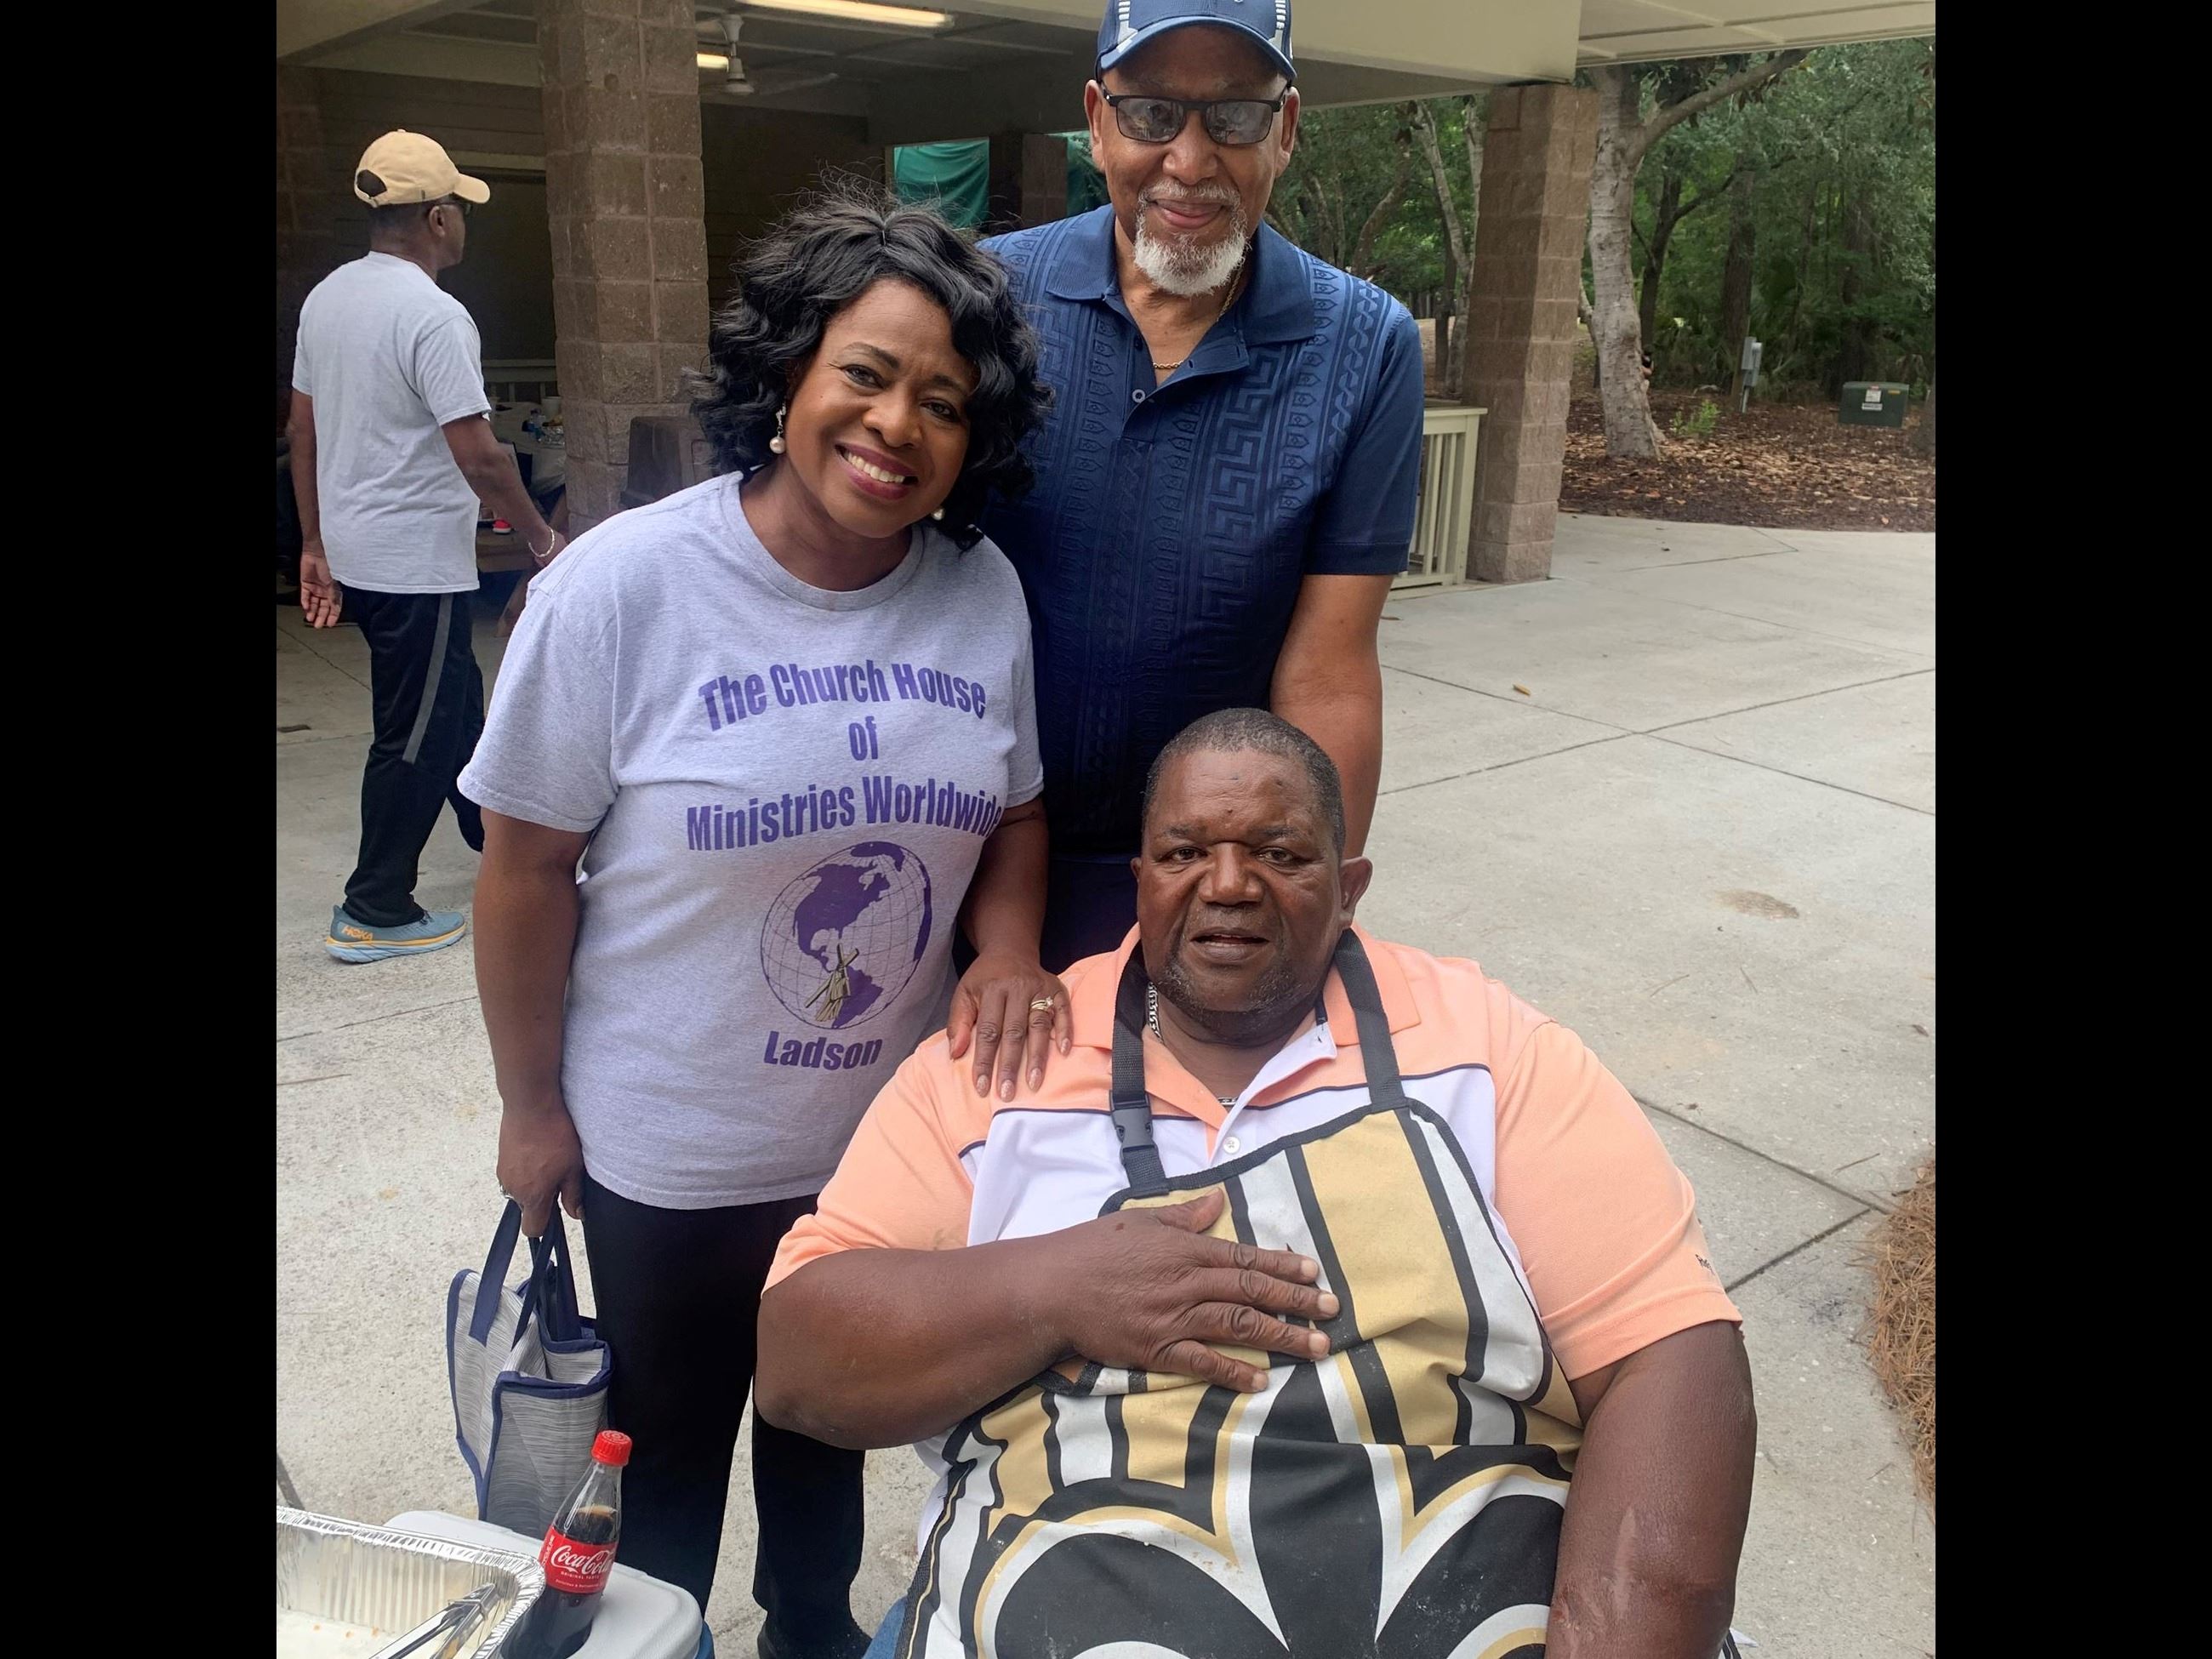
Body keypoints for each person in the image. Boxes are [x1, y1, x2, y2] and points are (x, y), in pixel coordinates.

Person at [757, 708, 1758, 1659]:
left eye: (1280, 855)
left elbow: (1665, 1358)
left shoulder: (1487, 1051)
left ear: (1350, 882)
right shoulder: (995, 1071)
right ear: (1140, 877)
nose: (1227, 884)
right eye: (1187, 853)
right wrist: (1051, 1292)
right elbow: (799, 1363)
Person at [462, 191, 1069, 1658]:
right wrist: (530, 1110)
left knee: (826, 1433)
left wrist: (1004, 948)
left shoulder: (977, 590)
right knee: (663, 1465)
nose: (896, 423)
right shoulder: (623, 588)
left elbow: (1018, 807)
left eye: (942, 400)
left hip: (876, 1140)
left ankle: (813, 1634)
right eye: (865, 372)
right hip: (669, 1146)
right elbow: (523, 871)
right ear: (788, 374)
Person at [978, 1, 1426, 970]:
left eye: (1233, 116)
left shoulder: (1363, 345)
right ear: (1096, 121)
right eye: (1150, 115)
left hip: (1202, 879)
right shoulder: (985, 297)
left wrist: (1319, 907)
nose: (1188, 159)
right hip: (966, 847)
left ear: (1287, 129)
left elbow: (1329, 670)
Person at [288, 129, 563, 964]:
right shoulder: (434, 316)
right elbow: (478, 452)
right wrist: (543, 538)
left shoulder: (329, 296)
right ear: (438, 218)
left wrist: (312, 542)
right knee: (413, 728)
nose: (463, 225)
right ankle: (374, 905)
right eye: (462, 211)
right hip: (413, 561)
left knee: (453, 704)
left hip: (359, 548)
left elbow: (301, 427)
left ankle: (493, 840)